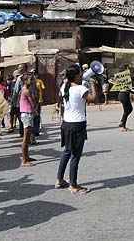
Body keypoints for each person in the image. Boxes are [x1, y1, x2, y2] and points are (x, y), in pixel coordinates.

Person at [56, 65, 98, 194]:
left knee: (67, 152)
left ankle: (60, 180)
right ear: (76, 76)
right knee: (75, 156)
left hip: (67, 124)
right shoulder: (81, 88)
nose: (81, 75)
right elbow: (94, 99)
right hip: (77, 125)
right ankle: (73, 185)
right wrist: (93, 84)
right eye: (80, 74)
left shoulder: (65, 87)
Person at [18, 78, 38, 166]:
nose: (32, 81)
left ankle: (26, 156)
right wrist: (35, 110)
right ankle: (24, 160)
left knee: (28, 137)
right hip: (27, 114)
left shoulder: (23, 89)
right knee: (26, 138)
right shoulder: (26, 91)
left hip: (26, 113)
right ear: (25, 81)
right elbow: (32, 102)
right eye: (30, 79)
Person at [117, 65, 134, 132]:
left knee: (128, 109)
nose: (128, 69)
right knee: (128, 109)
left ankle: (123, 125)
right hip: (124, 95)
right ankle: (122, 123)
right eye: (127, 68)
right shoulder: (126, 76)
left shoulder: (121, 77)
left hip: (122, 95)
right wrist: (132, 76)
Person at [32, 70, 46, 138]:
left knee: (37, 114)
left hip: (39, 99)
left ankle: (36, 130)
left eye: (35, 74)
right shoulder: (31, 82)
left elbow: (43, 88)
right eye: (33, 74)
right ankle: (34, 130)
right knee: (33, 116)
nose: (34, 75)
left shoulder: (39, 81)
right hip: (32, 100)